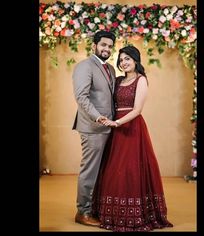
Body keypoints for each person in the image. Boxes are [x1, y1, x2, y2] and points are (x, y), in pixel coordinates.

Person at [92, 46, 173, 232]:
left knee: (130, 169)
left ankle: (134, 214)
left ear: (136, 60)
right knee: (113, 169)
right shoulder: (118, 80)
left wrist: (117, 123)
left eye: (127, 59)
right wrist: (106, 119)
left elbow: (137, 110)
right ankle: (112, 213)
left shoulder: (141, 80)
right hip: (116, 127)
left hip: (131, 127)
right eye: (121, 60)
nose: (123, 63)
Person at [72, 30, 116, 226]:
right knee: (89, 170)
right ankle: (83, 212)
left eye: (109, 46)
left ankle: (96, 207)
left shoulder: (111, 69)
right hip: (92, 127)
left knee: (103, 170)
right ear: (95, 45)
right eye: (103, 45)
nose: (106, 48)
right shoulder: (84, 66)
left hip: (109, 128)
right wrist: (99, 117)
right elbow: (81, 97)